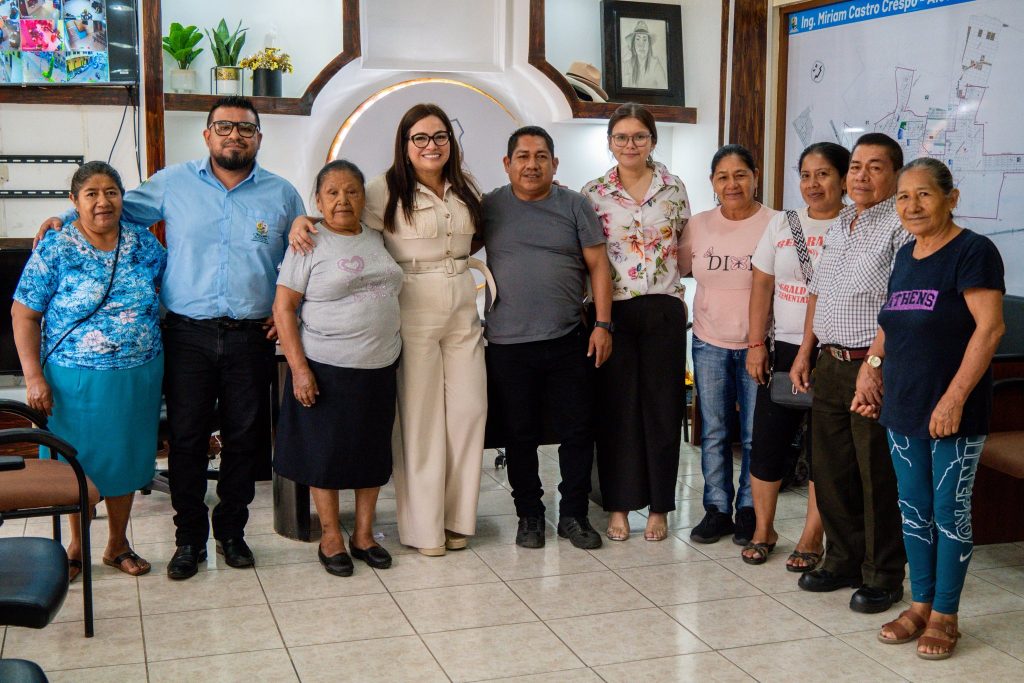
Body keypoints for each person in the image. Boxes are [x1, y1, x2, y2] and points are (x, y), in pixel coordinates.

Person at [38, 96, 306, 580]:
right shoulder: (173, 183)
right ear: (207, 136)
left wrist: (291, 311)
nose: (234, 135)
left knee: (246, 440)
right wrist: (63, 217)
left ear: (258, 138)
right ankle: (189, 540)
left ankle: (232, 532)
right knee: (186, 440)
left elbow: (303, 261)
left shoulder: (283, 195)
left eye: (245, 129)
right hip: (186, 337)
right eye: (223, 126)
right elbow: (109, 206)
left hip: (250, 338)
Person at [290, 104, 488, 556]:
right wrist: (305, 222)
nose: (431, 145)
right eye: (419, 138)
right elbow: (344, 215)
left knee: (469, 411)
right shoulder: (384, 188)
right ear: (404, 144)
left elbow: (476, 233)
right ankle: (424, 529)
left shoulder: (464, 186)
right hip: (411, 303)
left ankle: (458, 519)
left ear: (450, 142)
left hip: (462, 299)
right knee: (419, 420)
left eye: (439, 136)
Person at [853, 158, 1005, 659]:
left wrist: (955, 397)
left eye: (924, 195)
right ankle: (919, 605)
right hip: (903, 404)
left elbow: (990, 330)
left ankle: (945, 614)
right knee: (914, 511)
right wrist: (872, 365)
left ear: (951, 198)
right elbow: (891, 321)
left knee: (948, 511)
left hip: (953, 409)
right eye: (902, 197)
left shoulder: (974, 251)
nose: (911, 206)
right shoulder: (905, 254)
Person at [13, 161, 166, 580]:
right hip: (73, 381)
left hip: (138, 375)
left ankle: (117, 544)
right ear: (74, 202)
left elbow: (165, 293)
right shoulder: (56, 247)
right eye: (92, 194)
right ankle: (77, 545)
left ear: (122, 198)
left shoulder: (143, 244)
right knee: (77, 464)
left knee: (127, 461)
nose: (103, 201)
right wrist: (33, 377)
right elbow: (23, 315)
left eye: (111, 192)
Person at [790, 132, 910, 613]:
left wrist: (875, 366)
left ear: (895, 174)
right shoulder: (841, 223)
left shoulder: (900, 227)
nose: (861, 176)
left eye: (874, 167)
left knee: (874, 472)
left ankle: (882, 574)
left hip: (872, 365)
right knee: (831, 468)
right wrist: (805, 350)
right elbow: (818, 290)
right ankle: (840, 559)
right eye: (856, 166)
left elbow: (898, 305)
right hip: (830, 362)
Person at [482, 125, 613, 550]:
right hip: (507, 344)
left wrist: (603, 324)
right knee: (518, 434)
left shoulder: (575, 205)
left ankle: (573, 515)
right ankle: (530, 516)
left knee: (577, 431)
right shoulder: (490, 207)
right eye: (522, 156)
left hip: (568, 337)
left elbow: (598, 267)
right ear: (507, 164)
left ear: (555, 164)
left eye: (541, 156)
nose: (532, 164)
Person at [273, 160, 402, 576]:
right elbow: (284, 308)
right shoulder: (308, 243)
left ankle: (363, 535)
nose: (343, 200)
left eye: (351, 191)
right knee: (322, 456)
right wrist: (299, 370)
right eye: (332, 193)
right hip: (327, 366)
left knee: (371, 453)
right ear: (318, 200)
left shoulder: (378, 237)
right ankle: (330, 536)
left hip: (379, 365)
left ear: (364, 198)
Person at [580, 103, 690, 542]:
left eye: (639, 136)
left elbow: (682, 245)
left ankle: (661, 507)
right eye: (621, 137)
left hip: (663, 309)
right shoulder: (592, 193)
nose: (630, 144)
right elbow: (590, 259)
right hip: (614, 311)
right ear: (610, 143)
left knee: (663, 409)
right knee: (617, 411)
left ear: (653, 141)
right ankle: (619, 506)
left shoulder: (674, 187)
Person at [741, 142, 850, 569]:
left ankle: (811, 536)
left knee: (823, 448)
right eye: (805, 175)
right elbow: (762, 285)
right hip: (782, 347)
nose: (813, 183)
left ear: (843, 179)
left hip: (834, 349)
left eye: (823, 174)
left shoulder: (852, 227)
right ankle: (764, 528)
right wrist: (755, 344)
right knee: (767, 442)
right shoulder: (784, 224)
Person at [680, 144, 776, 547]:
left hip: (759, 344)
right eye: (723, 176)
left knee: (755, 434)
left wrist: (761, 342)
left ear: (756, 176)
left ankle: (750, 509)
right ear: (712, 183)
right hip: (709, 341)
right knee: (715, 431)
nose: (732, 183)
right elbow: (681, 267)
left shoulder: (777, 224)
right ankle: (716, 508)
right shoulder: (698, 224)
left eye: (740, 174)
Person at [622, 20, 667, 89]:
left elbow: (663, 87)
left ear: (649, 44)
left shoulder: (655, 64)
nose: (641, 45)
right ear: (633, 44)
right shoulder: (627, 65)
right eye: (637, 39)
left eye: (645, 40)